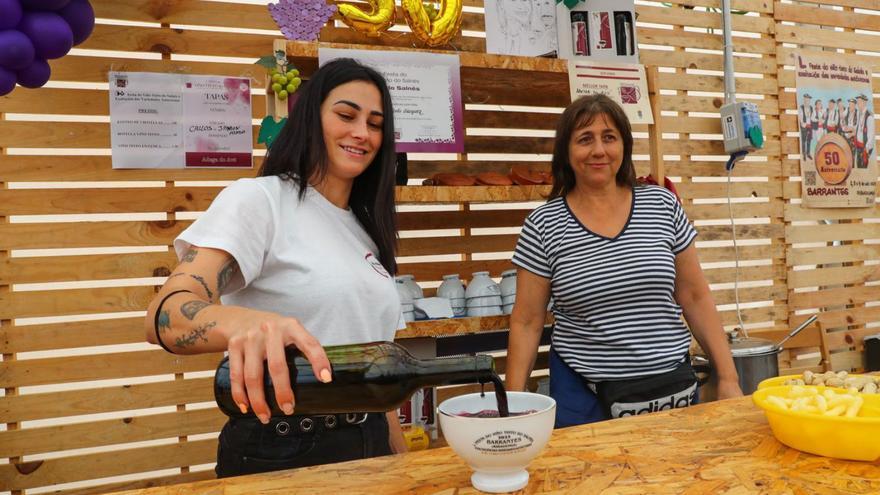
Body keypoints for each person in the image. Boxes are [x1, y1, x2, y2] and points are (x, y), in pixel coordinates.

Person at [144, 58, 407, 477]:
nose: (361, 133)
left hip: (369, 439)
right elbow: (166, 315)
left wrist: (399, 459)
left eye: (375, 124)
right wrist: (250, 323)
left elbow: (372, 372)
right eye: (345, 115)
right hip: (283, 445)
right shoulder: (260, 201)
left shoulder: (365, 231)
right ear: (310, 119)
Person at [505, 94, 742, 428]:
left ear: (624, 146)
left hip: (668, 390)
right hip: (584, 397)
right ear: (566, 152)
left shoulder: (661, 205)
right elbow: (527, 321)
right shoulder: (544, 224)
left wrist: (728, 377)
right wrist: (512, 407)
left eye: (609, 137)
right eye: (585, 139)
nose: (599, 150)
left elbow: (695, 296)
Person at [854, 93, 874, 169]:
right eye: (857, 102)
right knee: (859, 167)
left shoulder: (869, 117)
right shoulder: (860, 113)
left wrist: (866, 151)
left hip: (864, 149)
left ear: (864, 102)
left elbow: (871, 137)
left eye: (859, 102)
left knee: (862, 169)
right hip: (859, 147)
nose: (857, 104)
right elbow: (859, 129)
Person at [798, 94, 813, 160]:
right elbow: (801, 119)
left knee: (809, 140)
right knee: (804, 140)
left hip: (810, 126)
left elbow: (812, 117)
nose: (807, 101)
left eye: (808, 100)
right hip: (804, 126)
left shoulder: (811, 108)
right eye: (806, 99)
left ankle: (808, 153)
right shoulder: (801, 107)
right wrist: (804, 124)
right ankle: (804, 154)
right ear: (804, 100)